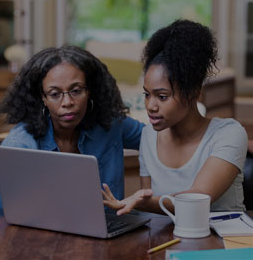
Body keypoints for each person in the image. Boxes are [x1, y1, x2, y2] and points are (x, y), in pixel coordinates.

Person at [103, 19, 248, 215]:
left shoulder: (229, 133)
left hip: (225, 241)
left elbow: (199, 197)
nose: (151, 106)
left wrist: (140, 202)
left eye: (162, 97)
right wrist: (143, 202)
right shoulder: (148, 135)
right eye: (147, 95)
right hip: (169, 239)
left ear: (194, 92)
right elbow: (151, 206)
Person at [0, 45, 144, 210]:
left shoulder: (111, 123)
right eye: (55, 94)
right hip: (43, 235)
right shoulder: (20, 144)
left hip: (112, 230)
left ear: (91, 90)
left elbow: (158, 139)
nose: (67, 102)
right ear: (42, 97)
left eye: (76, 91)